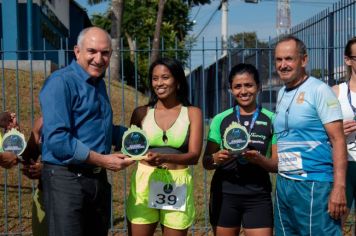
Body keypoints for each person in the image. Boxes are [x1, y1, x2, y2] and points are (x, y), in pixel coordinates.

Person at [39, 26, 135, 236]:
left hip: (96, 181)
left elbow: (98, 128)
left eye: (105, 53)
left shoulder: (97, 83)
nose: (99, 59)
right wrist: (103, 160)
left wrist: (135, 138)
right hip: (66, 180)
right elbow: (57, 139)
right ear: (77, 51)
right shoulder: (60, 82)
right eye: (92, 51)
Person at [273, 35, 347, 235]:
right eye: (279, 60)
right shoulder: (281, 93)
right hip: (284, 183)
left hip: (314, 184)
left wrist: (339, 187)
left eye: (289, 59)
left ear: (303, 60)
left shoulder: (319, 90)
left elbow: (338, 140)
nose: (283, 65)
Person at [126, 57, 203, 236]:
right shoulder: (140, 113)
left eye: (165, 77)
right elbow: (131, 148)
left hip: (177, 183)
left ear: (177, 81)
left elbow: (194, 156)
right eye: (155, 78)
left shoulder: (193, 113)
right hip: (144, 182)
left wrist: (165, 157)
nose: (159, 83)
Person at [202, 63, 277, 236]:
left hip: (258, 195)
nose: (243, 91)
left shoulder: (272, 119)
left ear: (258, 87)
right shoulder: (220, 119)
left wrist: (259, 159)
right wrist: (216, 158)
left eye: (249, 85)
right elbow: (206, 162)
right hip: (225, 194)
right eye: (237, 86)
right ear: (231, 90)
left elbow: (276, 165)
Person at [332, 37, 356, 234]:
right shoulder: (336, 92)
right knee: (336, 223)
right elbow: (319, 130)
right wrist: (338, 131)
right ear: (347, 60)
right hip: (344, 164)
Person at [21, 117, 47, 236]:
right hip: (44, 196)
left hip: (73, 197)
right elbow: (28, 158)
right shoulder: (42, 122)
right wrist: (15, 137)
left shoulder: (82, 121)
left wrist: (48, 169)